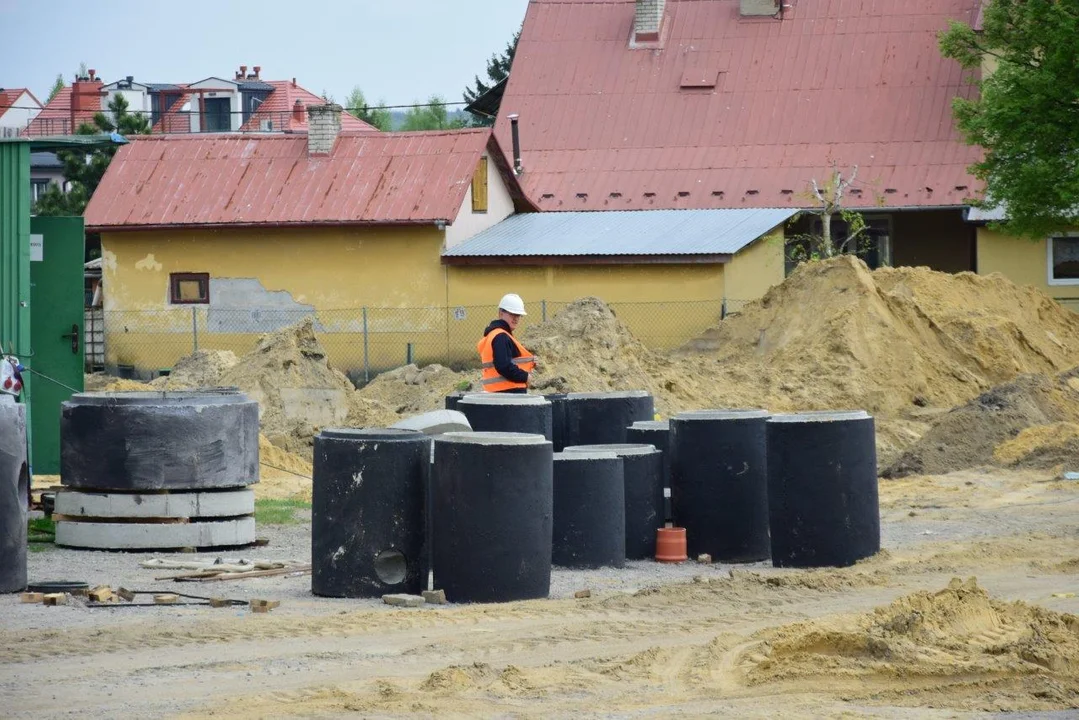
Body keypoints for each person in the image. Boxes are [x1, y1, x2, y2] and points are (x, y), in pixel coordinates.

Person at [477, 293, 536, 393]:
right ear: (501, 313)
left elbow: (511, 361)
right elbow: (503, 365)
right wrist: (526, 377)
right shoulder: (501, 336)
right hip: (508, 395)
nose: (516, 318)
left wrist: (530, 361)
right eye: (512, 313)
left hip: (501, 394)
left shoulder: (498, 335)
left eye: (518, 315)